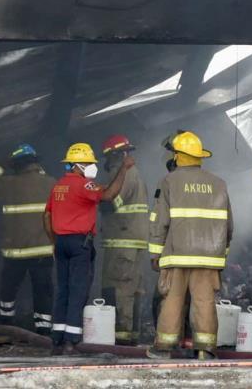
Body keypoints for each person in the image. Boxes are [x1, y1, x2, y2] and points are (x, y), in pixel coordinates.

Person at [147, 131, 232, 360]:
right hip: (208, 257)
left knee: (173, 299)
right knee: (204, 302)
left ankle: (164, 348)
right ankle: (205, 349)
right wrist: (221, 253)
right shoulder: (218, 183)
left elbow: (160, 220)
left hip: (177, 254)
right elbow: (228, 224)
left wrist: (155, 252)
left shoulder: (169, 181)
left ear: (178, 156)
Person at [44, 142, 133, 354]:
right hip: (79, 244)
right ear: (76, 165)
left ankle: (57, 338)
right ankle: (71, 340)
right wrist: (124, 169)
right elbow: (109, 194)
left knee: (63, 290)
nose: (92, 166)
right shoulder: (83, 186)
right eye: (87, 163)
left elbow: (46, 215)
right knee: (78, 290)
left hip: (62, 243)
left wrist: (54, 242)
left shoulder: (58, 186)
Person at [0, 143, 56, 334]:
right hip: (42, 250)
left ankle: (6, 321)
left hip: (14, 251)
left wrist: (1, 164)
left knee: (9, 287)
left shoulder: (7, 184)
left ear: (15, 165)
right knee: (43, 289)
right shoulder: (51, 183)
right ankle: (43, 328)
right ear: (36, 163)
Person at [99, 135, 149, 345]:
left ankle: (121, 339)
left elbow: (109, 203)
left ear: (113, 155)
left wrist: (94, 195)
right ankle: (131, 336)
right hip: (131, 242)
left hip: (122, 242)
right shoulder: (133, 173)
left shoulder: (122, 173)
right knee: (133, 290)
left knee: (120, 291)